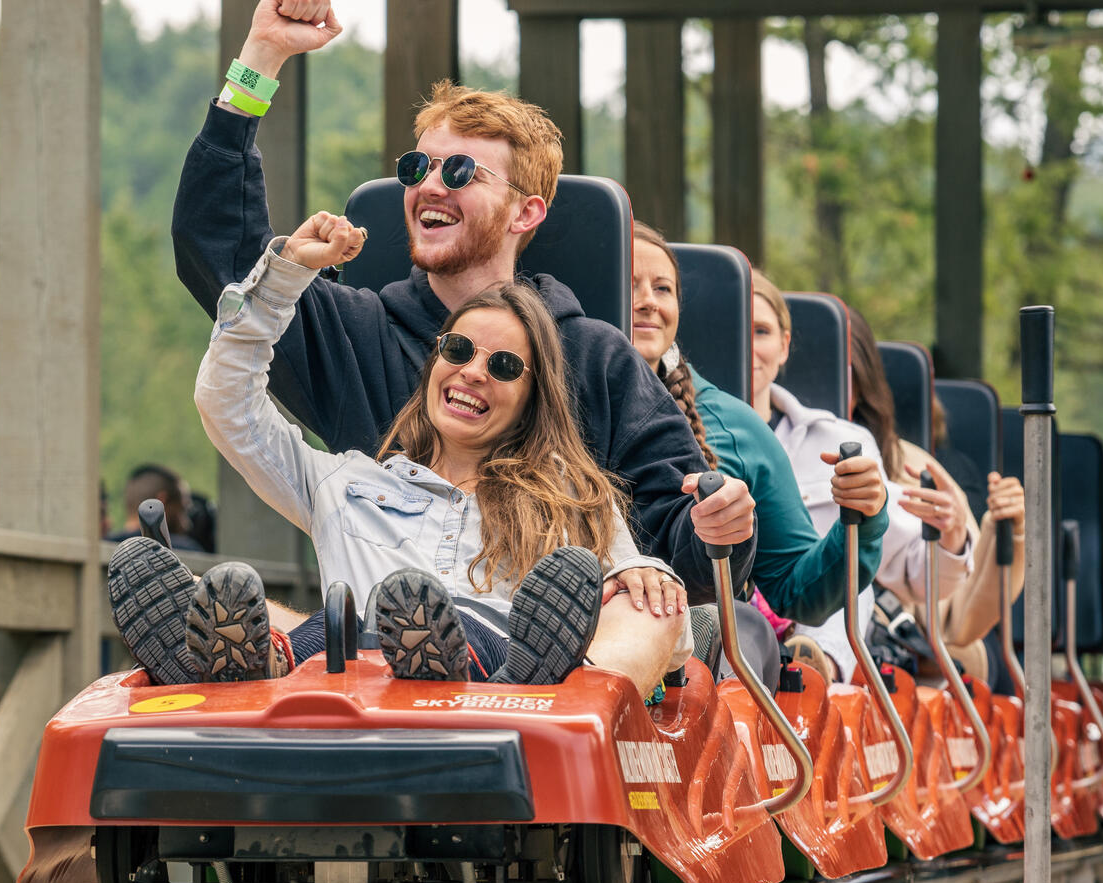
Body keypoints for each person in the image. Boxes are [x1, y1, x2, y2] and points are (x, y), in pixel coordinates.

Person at [171, 0, 757, 613]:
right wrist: (260, 58)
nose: (429, 184)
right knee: (300, 628)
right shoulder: (357, 333)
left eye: (460, 172)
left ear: (525, 212)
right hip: (379, 643)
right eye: (417, 166)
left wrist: (721, 526)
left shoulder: (596, 358)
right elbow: (226, 261)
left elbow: (682, 551)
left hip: (537, 667)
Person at [111, 218, 697, 698]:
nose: (472, 371)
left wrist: (636, 573)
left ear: (530, 400)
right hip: (350, 666)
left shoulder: (567, 497)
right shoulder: (345, 482)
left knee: (636, 603)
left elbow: (638, 597)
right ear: (434, 361)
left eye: (503, 366)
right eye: (459, 349)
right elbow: (227, 402)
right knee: (316, 625)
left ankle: (508, 675)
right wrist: (285, 277)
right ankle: (253, 659)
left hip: (497, 666)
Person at [629, 222, 889, 656]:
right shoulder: (543, 396)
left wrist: (862, 517)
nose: (649, 303)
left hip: (698, 666)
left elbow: (798, 591)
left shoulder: (737, 426)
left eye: (663, 289)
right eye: (632, 284)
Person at [748, 270, 974, 681]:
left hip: (809, 626)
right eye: (736, 331)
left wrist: (951, 534)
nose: (748, 348)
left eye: (760, 331)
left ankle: (816, 666)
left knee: (851, 568)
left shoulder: (841, 441)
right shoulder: (677, 430)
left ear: (784, 347)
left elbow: (914, 573)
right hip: (728, 622)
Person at [843, 305, 1025, 683]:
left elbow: (957, 618)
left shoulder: (914, 469)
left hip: (898, 661)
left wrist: (1008, 532)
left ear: (862, 383)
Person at [106, 463, 205, 551]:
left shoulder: (103, 547)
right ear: (159, 503)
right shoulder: (187, 549)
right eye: (182, 510)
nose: (187, 524)